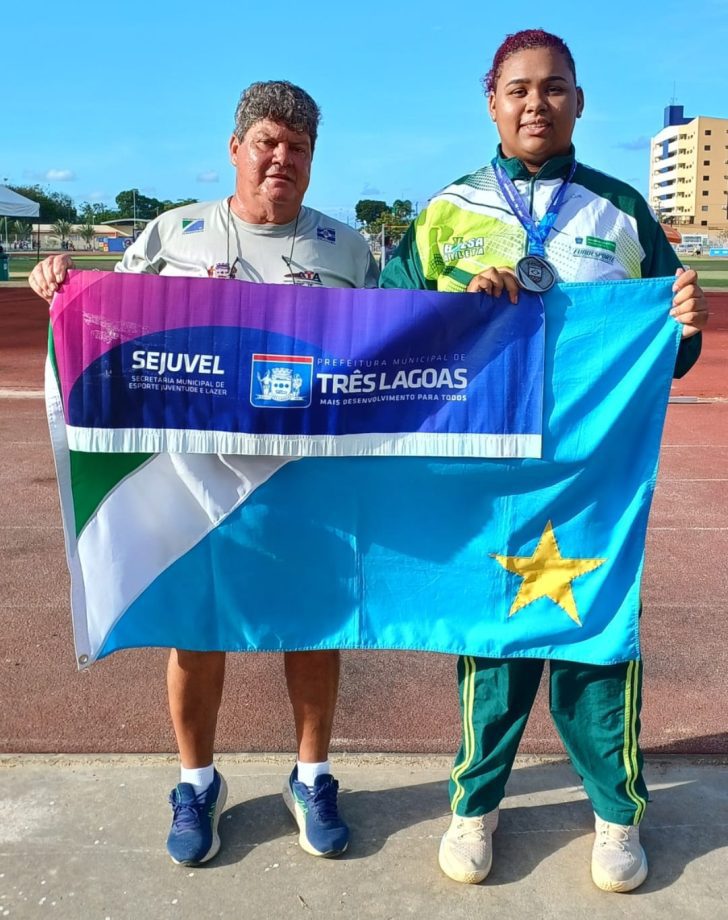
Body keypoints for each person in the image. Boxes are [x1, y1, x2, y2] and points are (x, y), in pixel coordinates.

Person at [381, 29, 708, 893]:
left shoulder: (623, 211)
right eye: (519, 89)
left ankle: (615, 816)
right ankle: (475, 802)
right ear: (491, 99)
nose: (537, 103)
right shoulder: (447, 210)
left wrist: (686, 317)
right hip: (486, 473)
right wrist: (458, 305)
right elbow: (390, 335)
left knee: (598, 640)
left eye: (554, 87)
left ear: (580, 101)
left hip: (593, 474)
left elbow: (669, 352)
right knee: (490, 639)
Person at [30, 80, 379, 867]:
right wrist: (57, 282)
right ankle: (196, 784)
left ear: (313, 159)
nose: (280, 157)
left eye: (297, 146)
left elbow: (395, 344)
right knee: (197, 629)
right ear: (235, 148)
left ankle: (313, 775)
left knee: (314, 627)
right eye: (266, 141)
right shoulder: (173, 233)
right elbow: (103, 310)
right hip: (194, 477)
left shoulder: (348, 248)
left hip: (308, 474)